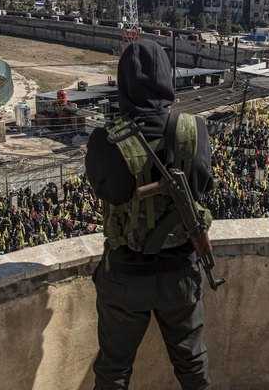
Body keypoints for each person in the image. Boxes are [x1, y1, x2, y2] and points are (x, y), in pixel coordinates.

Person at [86, 40, 214, 389]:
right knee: (193, 365)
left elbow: (106, 192)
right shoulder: (195, 129)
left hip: (125, 274)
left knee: (113, 371)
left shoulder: (105, 139)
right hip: (181, 273)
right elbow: (203, 186)